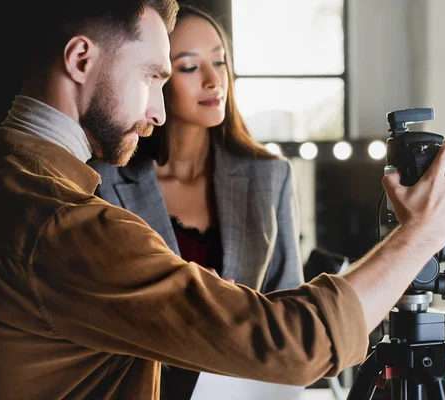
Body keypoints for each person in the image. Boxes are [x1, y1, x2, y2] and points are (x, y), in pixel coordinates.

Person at [0, 1, 445, 399]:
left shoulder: (10, 179)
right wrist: (417, 236)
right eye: (152, 77)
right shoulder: (71, 228)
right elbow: (299, 343)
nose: (157, 113)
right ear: (80, 60)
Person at [88, 4, 305, 399]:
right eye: (189, 67)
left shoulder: (271, 176)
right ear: (155, 77)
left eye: (220, 62)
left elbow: (288, 307)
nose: (213, 80)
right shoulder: (104, 179)